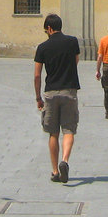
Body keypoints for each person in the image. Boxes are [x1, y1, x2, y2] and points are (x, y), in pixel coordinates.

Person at [34, 13, 80, 184]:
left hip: (51, 92)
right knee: (69, 130)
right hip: (69, 91)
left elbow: (37, 75)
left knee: (53, 133)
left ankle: (55, 171)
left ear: (49, 28)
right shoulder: (72, 42)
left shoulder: (42, 47)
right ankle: (65, 161)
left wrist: (38, 97)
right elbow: (75, 60)